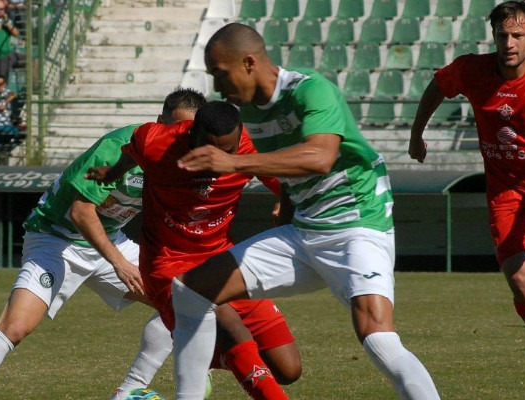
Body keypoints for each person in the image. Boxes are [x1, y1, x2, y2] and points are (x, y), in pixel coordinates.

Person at [161, 23, 441, 400]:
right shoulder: (249, 111)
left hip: (356, 224)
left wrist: (233, 163)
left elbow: (320, 156)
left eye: (219, 74)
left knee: (377, 335)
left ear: (248, 63)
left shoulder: (312, 90)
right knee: (191, 289)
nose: (217, 85)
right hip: (304, 230)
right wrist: (288, 209)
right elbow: (288, 169)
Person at [0, 89, 201, 400]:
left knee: (186, 303)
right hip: (56, 238)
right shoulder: (118, 147)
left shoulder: (184, 161)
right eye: (175, 129)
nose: (180, 137)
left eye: (188, 132)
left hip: (109, 239)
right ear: (159, 122)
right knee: (15, 327)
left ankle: (130, 390)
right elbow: (81, 212)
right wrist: (120, 264)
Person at [90, 101, 303, 400]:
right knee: (227, 321)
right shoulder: (155, 140)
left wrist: (284, 217)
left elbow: (289, 186)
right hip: (168, 263)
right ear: (193, 134)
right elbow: (130, 156)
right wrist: (111, 174)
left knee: (288, 369)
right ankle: (210, 351)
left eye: (227, 151)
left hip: (222, 257)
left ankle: (204, 356)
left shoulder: (251, 147)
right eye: (209, 148)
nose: (217, 158)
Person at [407, 2, 525, 399]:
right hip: (506, 193)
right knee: (519, 277)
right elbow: (437, 87)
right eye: (501, 35)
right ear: (493, 36)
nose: (508, 43)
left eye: (517, 35)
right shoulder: (472, 70)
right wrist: (416, 133)